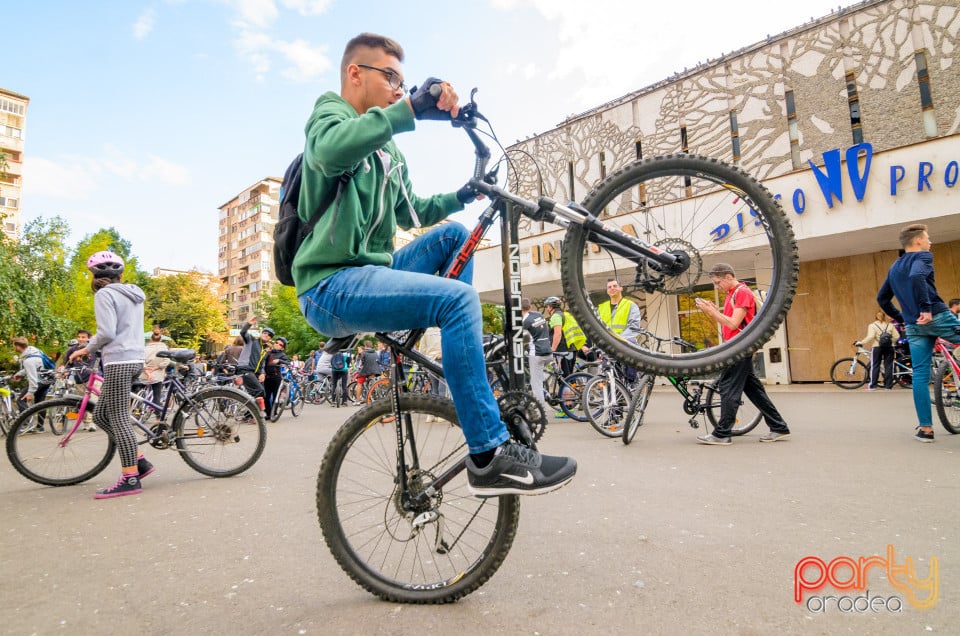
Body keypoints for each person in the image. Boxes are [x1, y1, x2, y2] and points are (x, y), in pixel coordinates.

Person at [293, 33, 575, 496]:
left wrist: (461, 195)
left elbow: (413, 211)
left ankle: (448, 344)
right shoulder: (331, 114)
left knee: (452, 235)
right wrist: (409, 111)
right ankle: (488, 455)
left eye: (403, 83)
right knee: (459, 299)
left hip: (372, 272)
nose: (398, 90)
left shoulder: (389, 150)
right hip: (330, 284)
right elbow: (328, 152)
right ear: (355, 73)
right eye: (390, 78)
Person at [67, 251, 152, 498]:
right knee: (103, 416)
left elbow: (106, 333)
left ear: (92, 276)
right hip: (135, 357)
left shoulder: (104, 294)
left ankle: (130, 478)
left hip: (119, 361)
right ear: (121, 275)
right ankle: (140, 463)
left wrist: (85, 348)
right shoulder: (134, 294)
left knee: (118, 417)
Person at [877, 224, 960, 442]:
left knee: (921, 376)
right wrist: (925, 308)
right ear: (918, 242)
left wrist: (902, 318)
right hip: (937, 316)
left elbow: (882, 299)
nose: (930, 241)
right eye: (928, 238)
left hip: (914, 326)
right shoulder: (923, 257)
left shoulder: (894, 267)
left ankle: (926, 430)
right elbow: (916, 277)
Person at [694, 263, 791, 445]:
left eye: (718, 282)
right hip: (738, 348)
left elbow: (732, 324)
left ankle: (722, 434)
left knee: (728, 388)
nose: (717, 287)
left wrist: (711, 312)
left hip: (738, 349)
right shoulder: (733, 293)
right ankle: (779, 427)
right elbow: (734, 322)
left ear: (729, 277)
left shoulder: (742, 292)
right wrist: (715, 310)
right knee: (755, 392)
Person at [597, 279, 642, 383]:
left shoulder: (630, 305)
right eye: (609, 287)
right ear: (607, 291)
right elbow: (598, 329)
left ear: (621, 288)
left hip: (625, 342)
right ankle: (611, 394)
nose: (612, 288)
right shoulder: (601, 308)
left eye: (615, 286)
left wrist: (618, 340)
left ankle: (631, 383)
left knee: (630, 358)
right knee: (607, 374)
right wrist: (599, 348)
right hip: (608, 345)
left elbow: (634, 326)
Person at [12, 337, 53, 429]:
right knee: (40, 403)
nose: (14, 348)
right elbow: (37, 368)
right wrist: (20, 374)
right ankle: (40, 426)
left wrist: (30, 393)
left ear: (18, 346)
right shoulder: (36, 352)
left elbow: (33, 378)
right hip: (47, 380)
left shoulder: (28, 360)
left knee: (21, 400)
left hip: (39, 381)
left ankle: (26, 425)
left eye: (14, 346)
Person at [521, 298, 552, 411]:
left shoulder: (524, 322)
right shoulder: (539, 315)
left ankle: (541, 411)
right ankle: (545, 388)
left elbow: (522, 339)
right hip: (548, 352)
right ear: (530, 307)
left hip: (537, 354)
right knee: (539, 375)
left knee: (536, 385)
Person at [855, 311, 896, 390]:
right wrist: (891, 342)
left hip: (877, 347)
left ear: (876, 317)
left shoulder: (872, 325)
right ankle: (888, 386)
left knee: (875, 365)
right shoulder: (890, 325)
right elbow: (896, 336)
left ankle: (873, 385)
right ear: (884, 316)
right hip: (889, 347)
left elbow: (871, 336)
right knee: (889, 366)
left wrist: (861, 342)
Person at [236, 318, 269, 414]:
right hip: (245, 370)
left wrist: (263, 373)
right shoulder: (251, 340)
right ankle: (252, 414)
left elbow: (262, 363)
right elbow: (243, 332)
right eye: (265, 332)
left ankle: (249, 414)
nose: (267, 335)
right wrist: (248, 324)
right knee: (259, 390)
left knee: (262, 393)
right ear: (261, 333)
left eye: (270, 335)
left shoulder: (264, 350)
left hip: (254, 373)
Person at [261, 337, 289, 416]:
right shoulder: (268, 353)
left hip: (276, 378)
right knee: (266, 397)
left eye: (280, 344)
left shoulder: (282, 355)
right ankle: (268, 413)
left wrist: (279, 361)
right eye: (276, 342)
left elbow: (288, 363)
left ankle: (274, 413)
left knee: (275, 397)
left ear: (282, 348)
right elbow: (262, 362)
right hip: (267, 377)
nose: (277, 344)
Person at [142, 328, 169, 405]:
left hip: (144, 374)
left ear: (151, 338)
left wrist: (147, 371)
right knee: (156, 396)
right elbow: (166, 361)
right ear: (161, 339)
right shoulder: (163, 348)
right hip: (157, 375)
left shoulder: (145, 348)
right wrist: (156, 367)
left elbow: (141, 360)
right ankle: (158, 416)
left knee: (137, 393)